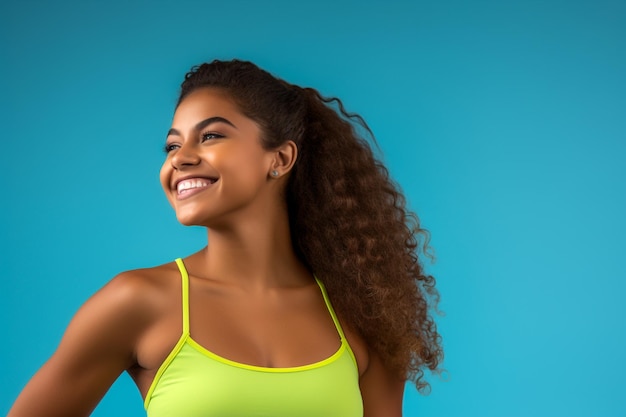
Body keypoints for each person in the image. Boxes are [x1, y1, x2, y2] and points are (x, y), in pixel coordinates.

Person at [8, 59, 443, 417]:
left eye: (211, 135)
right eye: (172, 146)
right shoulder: (137, 302)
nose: (181, 159)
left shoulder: (364, 314)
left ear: (280, 158)